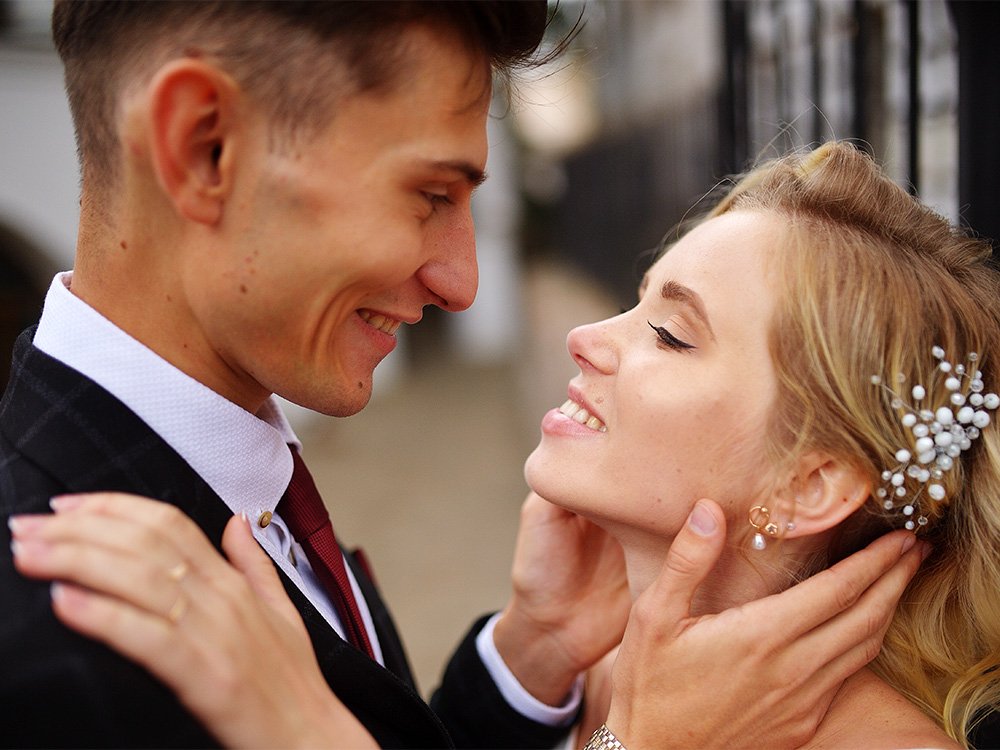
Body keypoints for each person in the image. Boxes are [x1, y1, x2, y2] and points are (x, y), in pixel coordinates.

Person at [0, 0, 922, 746]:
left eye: (672, 333)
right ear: (205, 146)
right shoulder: (50, 651)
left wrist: (529, 656)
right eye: (430, 195)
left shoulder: (221, 472)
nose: (464, 282)